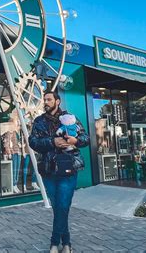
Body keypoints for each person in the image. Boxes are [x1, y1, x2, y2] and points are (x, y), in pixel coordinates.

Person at [29, 90, 89, 253]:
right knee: (58, 207)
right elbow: (33, 142)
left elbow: (86, 138)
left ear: (57, 101)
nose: (45, 102)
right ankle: (67, 243)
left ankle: (55, 243)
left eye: (49, 99)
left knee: (63, 205)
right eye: (44, 100)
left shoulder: (71, 119)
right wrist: (52, 141)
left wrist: (76, 140)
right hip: (48, 170)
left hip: (68, 168)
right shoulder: (39, 121)